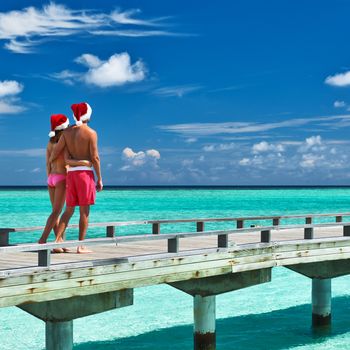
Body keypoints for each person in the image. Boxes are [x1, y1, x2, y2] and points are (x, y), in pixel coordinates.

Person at [50, 102, 103, 253]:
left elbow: (60, 155)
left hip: (71, 174)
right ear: (89, 115)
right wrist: (99, 178)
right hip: (85, 174)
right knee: (84, 211)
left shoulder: (66, 133)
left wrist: (66, 163)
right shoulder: (91, 133)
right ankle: (81, 245)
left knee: (69, 210)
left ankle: (56, 242)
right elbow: (95, 158)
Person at [38, 114, 92, 250]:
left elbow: (47, 163)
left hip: (51, 178)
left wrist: (49, 178)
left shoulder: (50, 142)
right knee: (57, 212)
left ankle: (59, 242)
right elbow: (68, 160)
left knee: (55, 211)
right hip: (62, 178)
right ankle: (42, 240)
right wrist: (84, 162)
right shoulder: (65, 141)